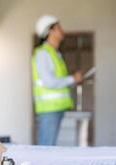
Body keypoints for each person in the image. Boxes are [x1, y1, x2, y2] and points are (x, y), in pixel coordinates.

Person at [31, 15, 83, 145]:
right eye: (58, 27)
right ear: (50, 31)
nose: (61, 30)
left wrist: (74, 81)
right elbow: (49, 82)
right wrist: (72, 79)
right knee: (46, 148)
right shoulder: (43, 54)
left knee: (49, 148)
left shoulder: (54, 53)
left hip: (55, 108)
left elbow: (59, 82)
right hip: (49, 109)